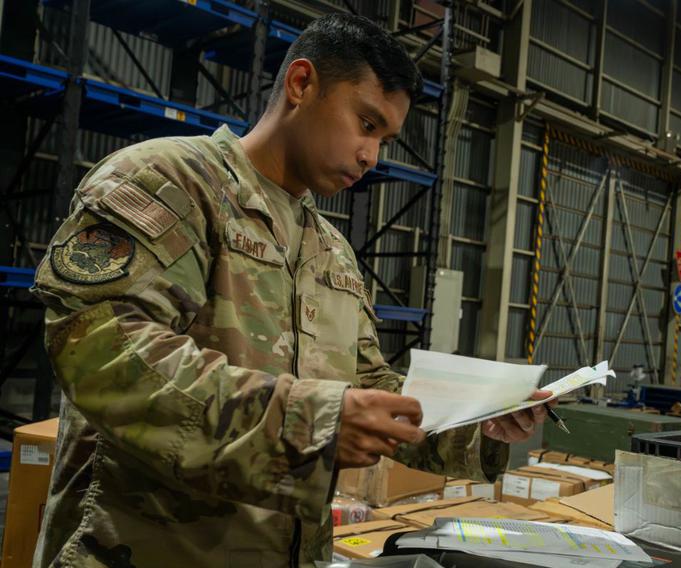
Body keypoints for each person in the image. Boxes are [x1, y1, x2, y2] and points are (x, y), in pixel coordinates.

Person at [31, 13, 553, 567]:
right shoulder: (172, 180)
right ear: (302, 84)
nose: (371, 156)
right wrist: (313, 422)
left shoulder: (331, 250)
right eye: (366, 123)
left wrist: (479, 422)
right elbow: (103, 352)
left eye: (385, 138)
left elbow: (370, 386)